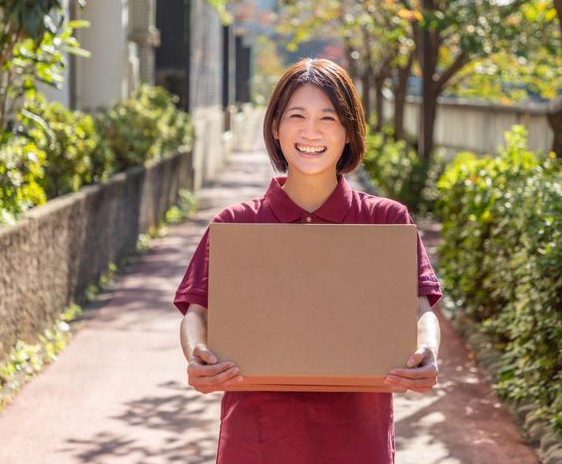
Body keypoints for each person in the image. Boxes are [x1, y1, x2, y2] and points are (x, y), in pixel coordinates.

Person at [174, 58, 442, 464]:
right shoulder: (236, 224)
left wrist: (428, 352)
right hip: (256, 441)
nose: (311, 131)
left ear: (349, 131)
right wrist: (196, 353)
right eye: (296, 116)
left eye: (328, 118)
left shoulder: (386, 220)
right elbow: (197, 313)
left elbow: (419, 309)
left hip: (359, 443)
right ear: (276, 128)